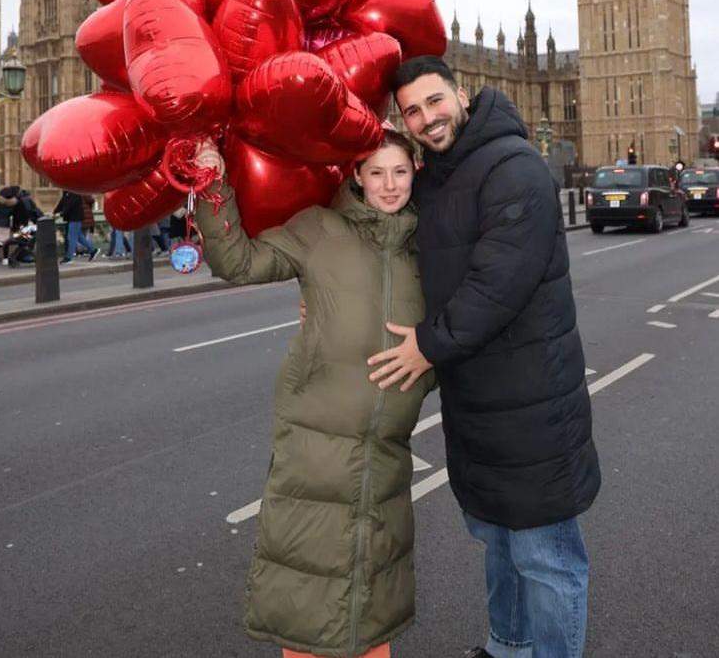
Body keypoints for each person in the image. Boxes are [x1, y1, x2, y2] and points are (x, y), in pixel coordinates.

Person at [368, 57, 600, 658]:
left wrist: (427, 344)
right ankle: (507, 646)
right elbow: (387, 234)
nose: (425, 118)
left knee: (545, 557)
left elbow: (497, 286)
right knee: (499, 540)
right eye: (412, 111)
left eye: (434, 102)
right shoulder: (441, 173)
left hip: (532, 403)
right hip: (478, 399)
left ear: (462, 93)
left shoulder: (515, 167)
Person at [194, 130, 435, 658]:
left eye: (400, 172)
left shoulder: (429, 245)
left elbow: (457, 325)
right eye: (377, 172)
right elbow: (239, 262)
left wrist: (430, 359)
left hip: (387, 446)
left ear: (416, 172)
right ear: (355, 175)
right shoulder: (319, 229)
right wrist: (212, 182)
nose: (389, 185)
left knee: (373, 597)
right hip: (317, 441)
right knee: (308, 591)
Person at [53, 190, 98, 264]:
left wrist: (61, 213)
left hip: (76, 218)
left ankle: (69, 257)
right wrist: (55, 212)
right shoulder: (67, 191)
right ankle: (93, 250)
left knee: (71, 238)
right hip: (72, 218)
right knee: (79, 238)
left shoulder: (74, 191)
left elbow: (70, 204)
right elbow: (62, 202)